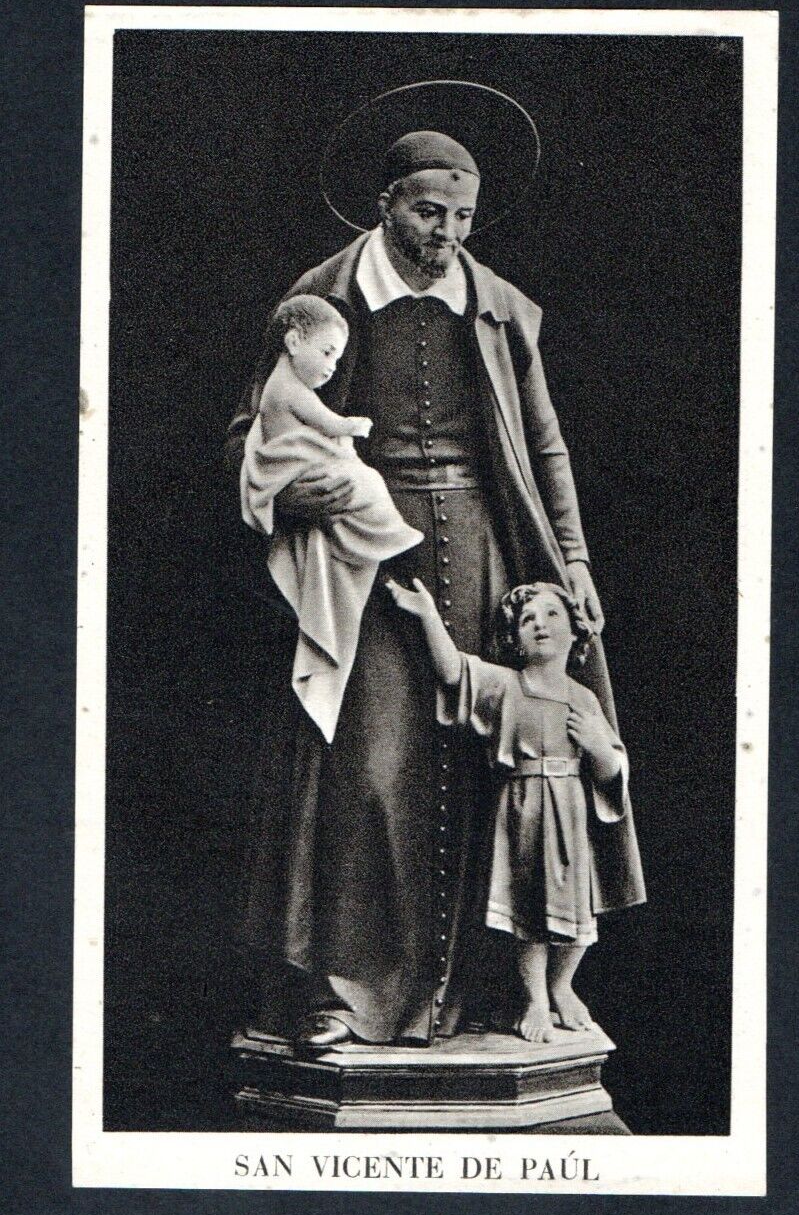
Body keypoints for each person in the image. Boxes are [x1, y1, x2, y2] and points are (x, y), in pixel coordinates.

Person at [227, 113, 645, 1048]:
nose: (445, 233)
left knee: (492, 767)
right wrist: (292, 495)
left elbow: (543, 446)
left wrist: (573, 559)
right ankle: (347, 995)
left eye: (461, 216)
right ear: (385, 205)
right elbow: (252, 431)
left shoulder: (499, 307)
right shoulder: (320, 298)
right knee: (370, 770)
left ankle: (491, 994)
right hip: (363, 558)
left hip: (488, 549)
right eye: (427, 212)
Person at [387, 576, 639, 1043]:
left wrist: (598, 748)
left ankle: (562, 986)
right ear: (515, 637)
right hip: (523, 812)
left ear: (575, 630)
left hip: (571, 814)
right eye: (528, 619)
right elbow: (453, 672)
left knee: (578, 909)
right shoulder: (507, 685)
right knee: (530, 910)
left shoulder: (584, 698)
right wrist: (427, 615)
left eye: (552, 615)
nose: (540, 625)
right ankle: (536, 999)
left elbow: (613, 769)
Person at [240, 295, 422, 743]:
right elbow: (316, 424)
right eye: (326, 354)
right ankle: (389, 533)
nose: (332, 368)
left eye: (337, 359)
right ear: (293, 342)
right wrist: (350, 429)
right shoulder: (288, 387)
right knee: (365, 486)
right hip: (303, 487)